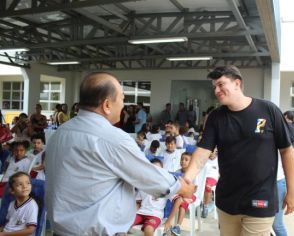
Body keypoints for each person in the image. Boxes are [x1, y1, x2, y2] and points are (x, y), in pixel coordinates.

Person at [45, 72, 195, 236]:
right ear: (107, 105)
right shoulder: (111, 138)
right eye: (122, 99)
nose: (124, 106)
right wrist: (181, 186)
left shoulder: (60, 133)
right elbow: (147, 176)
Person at [184, 65, 294, 236]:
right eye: (214, 86)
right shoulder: (216, 117)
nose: (216, 90)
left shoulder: (268, 110)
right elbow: (202, 152)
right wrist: (186, 180)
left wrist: (292, 191)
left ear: (237, 83)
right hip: (227, 201)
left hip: (260, 198)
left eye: (221, 84)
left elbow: (287, 151)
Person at [132, 158, 169, 236]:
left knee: (148, 230)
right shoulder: (143, 184)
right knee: (124, 224)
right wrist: (132, 213)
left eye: (158, 169)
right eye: (153, 169)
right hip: (141, 212)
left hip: (154, 214)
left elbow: (178, 200)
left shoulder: (166, 185)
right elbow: (138, 202)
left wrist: (169, 221)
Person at [164, 152, 197, 236]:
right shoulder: (177, 172)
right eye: (182, 159)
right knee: (169, 199)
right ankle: (166, 226)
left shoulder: (192, 173)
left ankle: (177, 226)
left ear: (191, 162)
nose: (183, 161)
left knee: (182, 202)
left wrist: (185, 193)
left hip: (191, 195)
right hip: (179, 193)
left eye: (186, 160)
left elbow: (194, 189)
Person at [201, 148, 219, 218]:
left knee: (207, 186)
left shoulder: (219, 159)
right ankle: (199, 203)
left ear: (216, 151)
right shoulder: (204, 158)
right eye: (210, 152)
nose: (211, 153)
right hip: (203, 177)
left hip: (213, 177)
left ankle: (205, 206)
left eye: (212, 151)